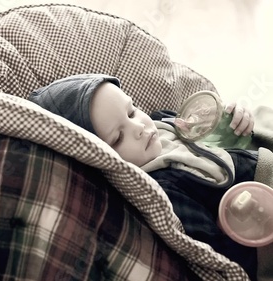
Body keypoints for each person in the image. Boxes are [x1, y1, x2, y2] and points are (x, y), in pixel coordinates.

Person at [28, 73, 259, 280]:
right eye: (118, 137)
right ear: (103, 161)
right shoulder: (165, 191)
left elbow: (219, 140)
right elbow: (223, 257)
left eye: (131, 111)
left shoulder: (164, 124)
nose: (138, 127)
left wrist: (236, 120)